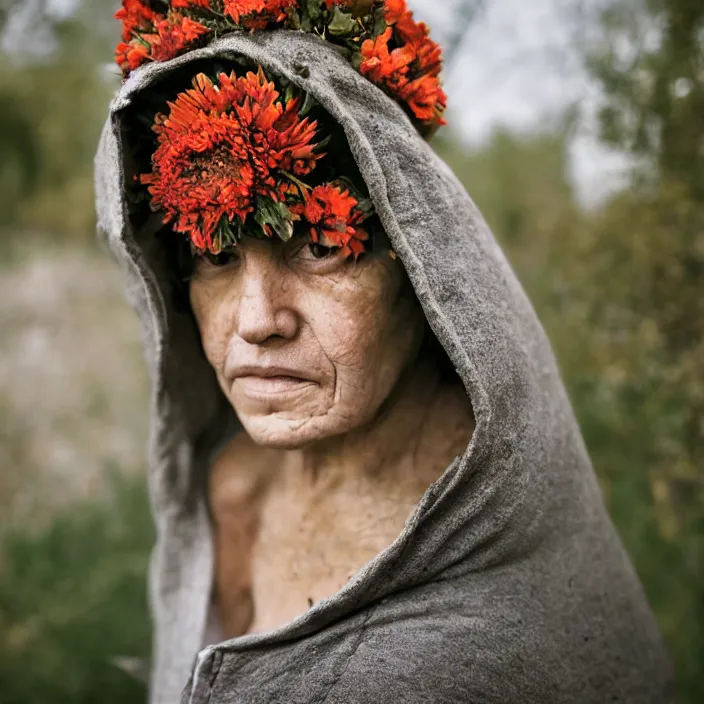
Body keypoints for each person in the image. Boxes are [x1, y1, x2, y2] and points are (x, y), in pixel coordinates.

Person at [97, 2, 674, 703]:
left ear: (424, 276)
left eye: (323, 246)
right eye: (215, 253)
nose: (257, 322)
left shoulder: (482, 623)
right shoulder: (234, 493)